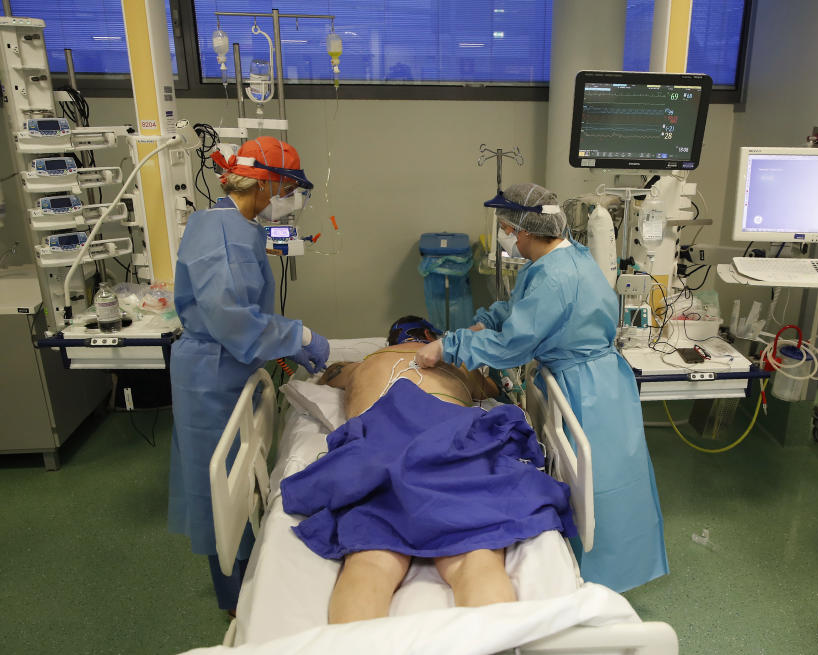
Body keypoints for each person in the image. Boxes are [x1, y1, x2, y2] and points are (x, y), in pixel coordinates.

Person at [414, 183, 668, 593]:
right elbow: (519, 311)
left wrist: (451, 345)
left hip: (588, 388)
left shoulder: (555, 276)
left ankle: (604, 582)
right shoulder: (561, 257)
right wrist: (487, 321)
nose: (506, 236)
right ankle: (596, 567)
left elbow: (517, 342)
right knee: (599, 482)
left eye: (508, 229)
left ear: (527, 231)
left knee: (601, 488)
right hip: (592, 377)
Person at [282, 316, 575, 623]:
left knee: (371, 561)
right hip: (450, 441)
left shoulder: (365, 365)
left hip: (382, 448)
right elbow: (489, 388)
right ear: (428, 334)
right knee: (474, 556)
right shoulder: (458, 365)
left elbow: (330, 375)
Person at [168, 136, 331, 613]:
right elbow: (233, 321)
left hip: (228, 365)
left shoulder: (233, 226)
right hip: (212, 375)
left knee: (238, 476)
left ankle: (245, 568)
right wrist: (297, 338)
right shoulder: (224, 236)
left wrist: (287, 341)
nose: (290, 200)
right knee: (221, 487)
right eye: (286, 189)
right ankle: (235, 596)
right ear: (263, 186)